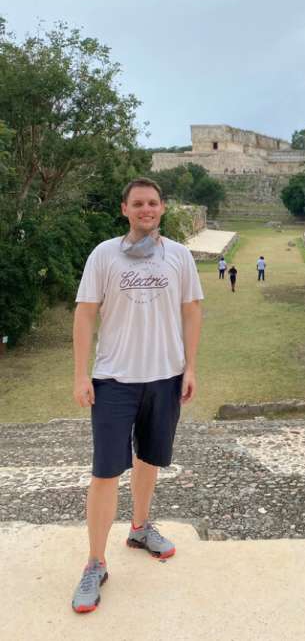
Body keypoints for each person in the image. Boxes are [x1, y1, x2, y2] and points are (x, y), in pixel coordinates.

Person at [71, 178, 204, 613]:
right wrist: (81, 375)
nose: (146, 209)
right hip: (115, 379)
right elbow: (85, 314)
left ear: (162, 208)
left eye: (152, 202)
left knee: (149, 458)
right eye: (138, 203)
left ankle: (141, 527)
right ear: (124, 209)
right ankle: (95, 563)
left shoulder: (179, 256)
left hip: (164, 376)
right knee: (106, 472)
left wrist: (190, 367)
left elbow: (192, 310)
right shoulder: (104, 254)